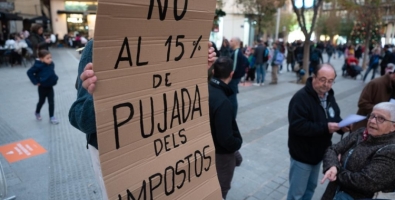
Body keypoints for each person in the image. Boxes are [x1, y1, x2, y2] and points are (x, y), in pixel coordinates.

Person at [68, 40, 218, 200]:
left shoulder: (172, 42)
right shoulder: (100, 45)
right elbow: (80, 119)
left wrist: (198, 71)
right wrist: (100, 95)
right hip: (117, 157)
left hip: (159, 148)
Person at [287, 64, 348, 200]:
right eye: (322, 79)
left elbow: (334, 116)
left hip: (319, 154)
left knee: (310, 189)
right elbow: (298, 126)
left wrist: (342, 125)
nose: (326, 84)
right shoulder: (300, 98)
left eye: (330, 81)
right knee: (296, 194)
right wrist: (325, 127)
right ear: (313, 77)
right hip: (302, 155)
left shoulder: (329, 96)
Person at [321, 102, 395, 200]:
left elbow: (364, 182)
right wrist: (332, 166)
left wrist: (337, 170)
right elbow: (333, 149)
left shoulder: (390, 150)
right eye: (372, 116)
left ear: (393, 126)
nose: (372, 121)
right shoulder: (361, 133)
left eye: (381, 118)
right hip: (333, 193)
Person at [208, 57, 243, 199]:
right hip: (221, 154)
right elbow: (225, 138)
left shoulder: (208, 88)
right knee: (221, 189)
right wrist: (238, 142)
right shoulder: (223, 102)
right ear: (232, 74)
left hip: (212, 147)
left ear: (214, 71)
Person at [353, 64, 395, 131]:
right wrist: (381, 112)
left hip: (383, 130)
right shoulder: (376, 83)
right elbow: (362, 103)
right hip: (364, 128)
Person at [27, 50, 59, 124]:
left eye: (50, 57)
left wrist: (55, 78)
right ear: (41, 59)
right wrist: (36, 82)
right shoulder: (38, 66)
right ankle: (37, 112)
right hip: (42, 87)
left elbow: (51, 72)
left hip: (50, 86)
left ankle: (52, 117)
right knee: (41, 101)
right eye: (47, 58)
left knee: (51, 102)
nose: (50, 59)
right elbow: (29, 72)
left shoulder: (51, 64)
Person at [228, 37, 249, 117]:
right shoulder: (237, 51)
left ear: (236, 43)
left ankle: (232, 115)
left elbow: (234, 68)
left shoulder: (236, 52)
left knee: (232, 96)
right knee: (233, 95)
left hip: (234, 78)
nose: (230, 42)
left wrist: (229, 77)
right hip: (236, 78)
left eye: (231, 40)